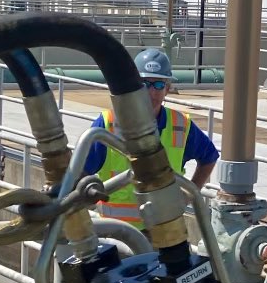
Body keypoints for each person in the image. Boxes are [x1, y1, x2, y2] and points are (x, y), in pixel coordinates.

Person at [80, 47, 219, 220]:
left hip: (168, 233)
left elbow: (209, 157)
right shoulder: (108, 124)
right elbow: (80, 173)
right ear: (133, 85)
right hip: (118, 233)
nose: (151, 92)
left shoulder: (181, 126)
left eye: (159, 84)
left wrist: (186, 197)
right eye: (145, 83)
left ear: (167, 89)